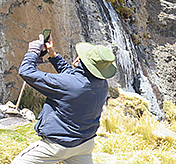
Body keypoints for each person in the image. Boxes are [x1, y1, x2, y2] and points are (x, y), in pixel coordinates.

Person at [11, 32, 116, 164]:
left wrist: (33, 51)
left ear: (79, 61)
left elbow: (26, 72)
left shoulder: (68, 84)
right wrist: (52, 54)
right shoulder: (101, 84)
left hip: (57, 146)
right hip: (84, 144)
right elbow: (74, 76)